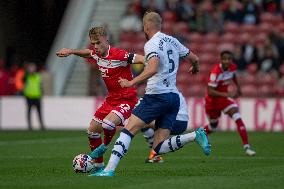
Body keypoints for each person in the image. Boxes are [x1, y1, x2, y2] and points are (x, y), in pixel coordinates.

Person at [91, 11, 210, 177]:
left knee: (128, 130)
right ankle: (194, 135)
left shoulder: (152, 44)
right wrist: (195, 67)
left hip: (156, 95)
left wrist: (131, 82)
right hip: (173, 98)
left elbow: (153, 68)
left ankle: (109, 170)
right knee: (158, 147)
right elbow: (195, 58)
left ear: (146, 27)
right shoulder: (173, 41)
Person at [56, 26, 144, 173]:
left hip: (127, 100)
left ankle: (105, 146)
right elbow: (87, 53)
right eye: (93, 43)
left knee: (108, 124)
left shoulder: (119, 54)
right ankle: (98, 167)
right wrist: (70, 51)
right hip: (111, 100)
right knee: (92, 131)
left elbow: (142, 59)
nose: (95, 47)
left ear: (106, 40)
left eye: (98, 43)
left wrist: (151, 67)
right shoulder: (96, 54)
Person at [203, 50, 256, 156]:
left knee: (237, 116)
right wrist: (227, 95)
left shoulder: (233, 67)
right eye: (225, 59)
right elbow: (210, 91)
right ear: (221, 60)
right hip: (212, 101)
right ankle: (199, 134)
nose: (227, 61)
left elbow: (233, 75)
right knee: (213, 126)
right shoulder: (215, 72)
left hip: (224, 100)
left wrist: (238, 88)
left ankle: (247, 147)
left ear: (231, 60)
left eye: (229, 59)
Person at [23, 62, 45, 130]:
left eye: (33, 68)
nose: (32, 69)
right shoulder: (27, 76)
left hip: (37, 96)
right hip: (29, 96)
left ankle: (41, 126)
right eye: (30, 68)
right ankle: (29, 126)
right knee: (29, 112)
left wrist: (41, 93)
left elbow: (40, 85)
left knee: (39, 112)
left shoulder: (37, 76)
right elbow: (23, 79)